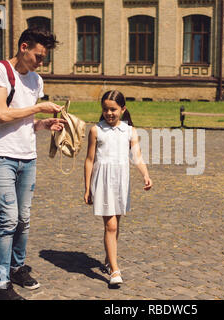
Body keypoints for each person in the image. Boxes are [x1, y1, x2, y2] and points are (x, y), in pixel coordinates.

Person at [0, 28, 66, 300]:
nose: (41, 63)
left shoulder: (36, 80)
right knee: (8, 219)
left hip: (28, 157)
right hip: (1, 156)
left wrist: (43, 124)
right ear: (23, 47)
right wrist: (39, 109)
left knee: (24, 219)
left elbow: (24, 122)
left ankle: (17, 267)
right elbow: (3, 114)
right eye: (38, 56)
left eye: (44, 58)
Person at [84, 90, 152, 285]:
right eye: (105, 109)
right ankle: (114, 271)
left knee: (116, 224)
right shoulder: (96, 130)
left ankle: (108, 257)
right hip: (103, 181)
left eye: (113, 109)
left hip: (121, 181)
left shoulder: (130, 131)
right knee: (111, 225)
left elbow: (137, 156)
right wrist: (87, 188)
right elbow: (89, 160)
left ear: (123, 109)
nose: (109, 113)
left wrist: (145, 175)